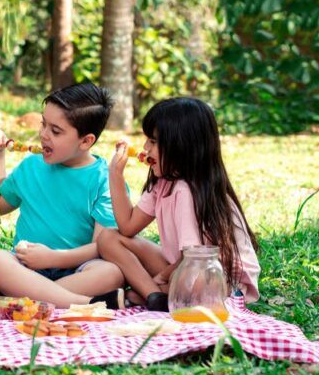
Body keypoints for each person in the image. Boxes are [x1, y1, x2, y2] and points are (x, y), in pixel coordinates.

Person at [97, 97, 260, 311]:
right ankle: (155, 296)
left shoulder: (186, 190)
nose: (146, 148)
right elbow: (127, 227)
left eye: (153, 142)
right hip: (184, 267)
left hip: (218, 279)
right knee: (108, 238)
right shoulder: (164, 182)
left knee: (192, 280)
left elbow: (192, 258)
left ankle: (149, 293)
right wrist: (115, 174)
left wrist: (160, 276)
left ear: (181, 146)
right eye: (147, 140)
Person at [0, 82, 125, 309]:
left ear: (86, 141)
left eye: (55, 131)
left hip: (77, 268)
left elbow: (102, 246)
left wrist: (54, 258)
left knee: (111, 273)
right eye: (44, 124)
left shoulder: (105, 180)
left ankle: (18, 297)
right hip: (24, 266)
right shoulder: (31, 167)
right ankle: (85, 303)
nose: (43, 135)